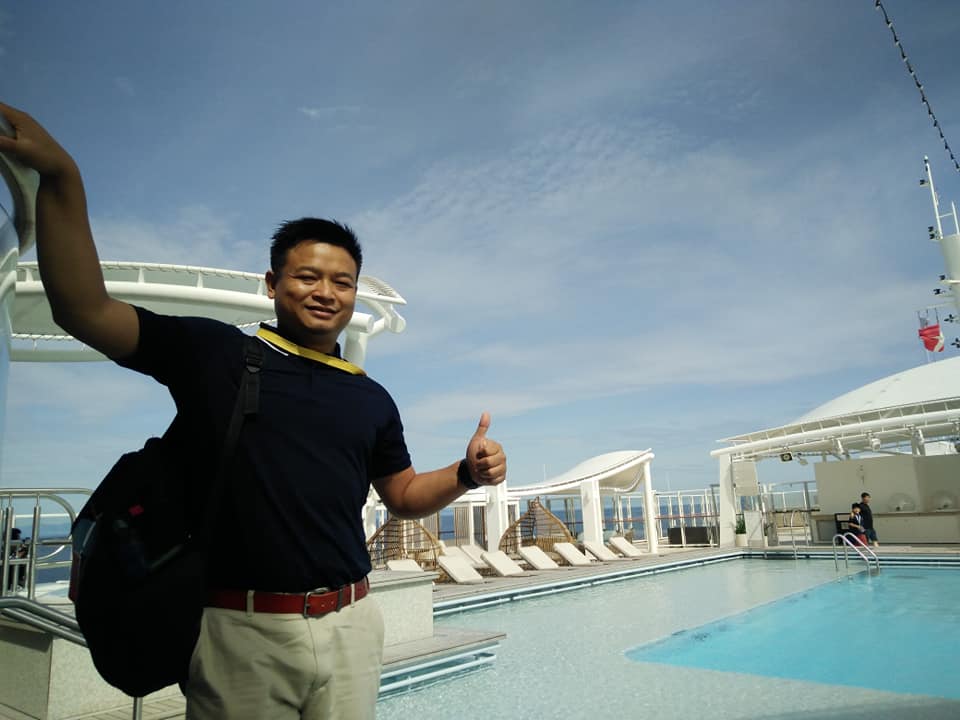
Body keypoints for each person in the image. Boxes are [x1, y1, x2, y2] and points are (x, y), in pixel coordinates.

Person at [0, 102, 507, 720]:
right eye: (308, 276)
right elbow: (84, 309)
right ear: (272, 284)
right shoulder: (215, 354)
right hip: (240, 633)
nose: (326, 293)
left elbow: (400, 494)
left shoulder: (370, 397)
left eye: (343, 282)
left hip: (352, 625)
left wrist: (466, 473)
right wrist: (63, 177)